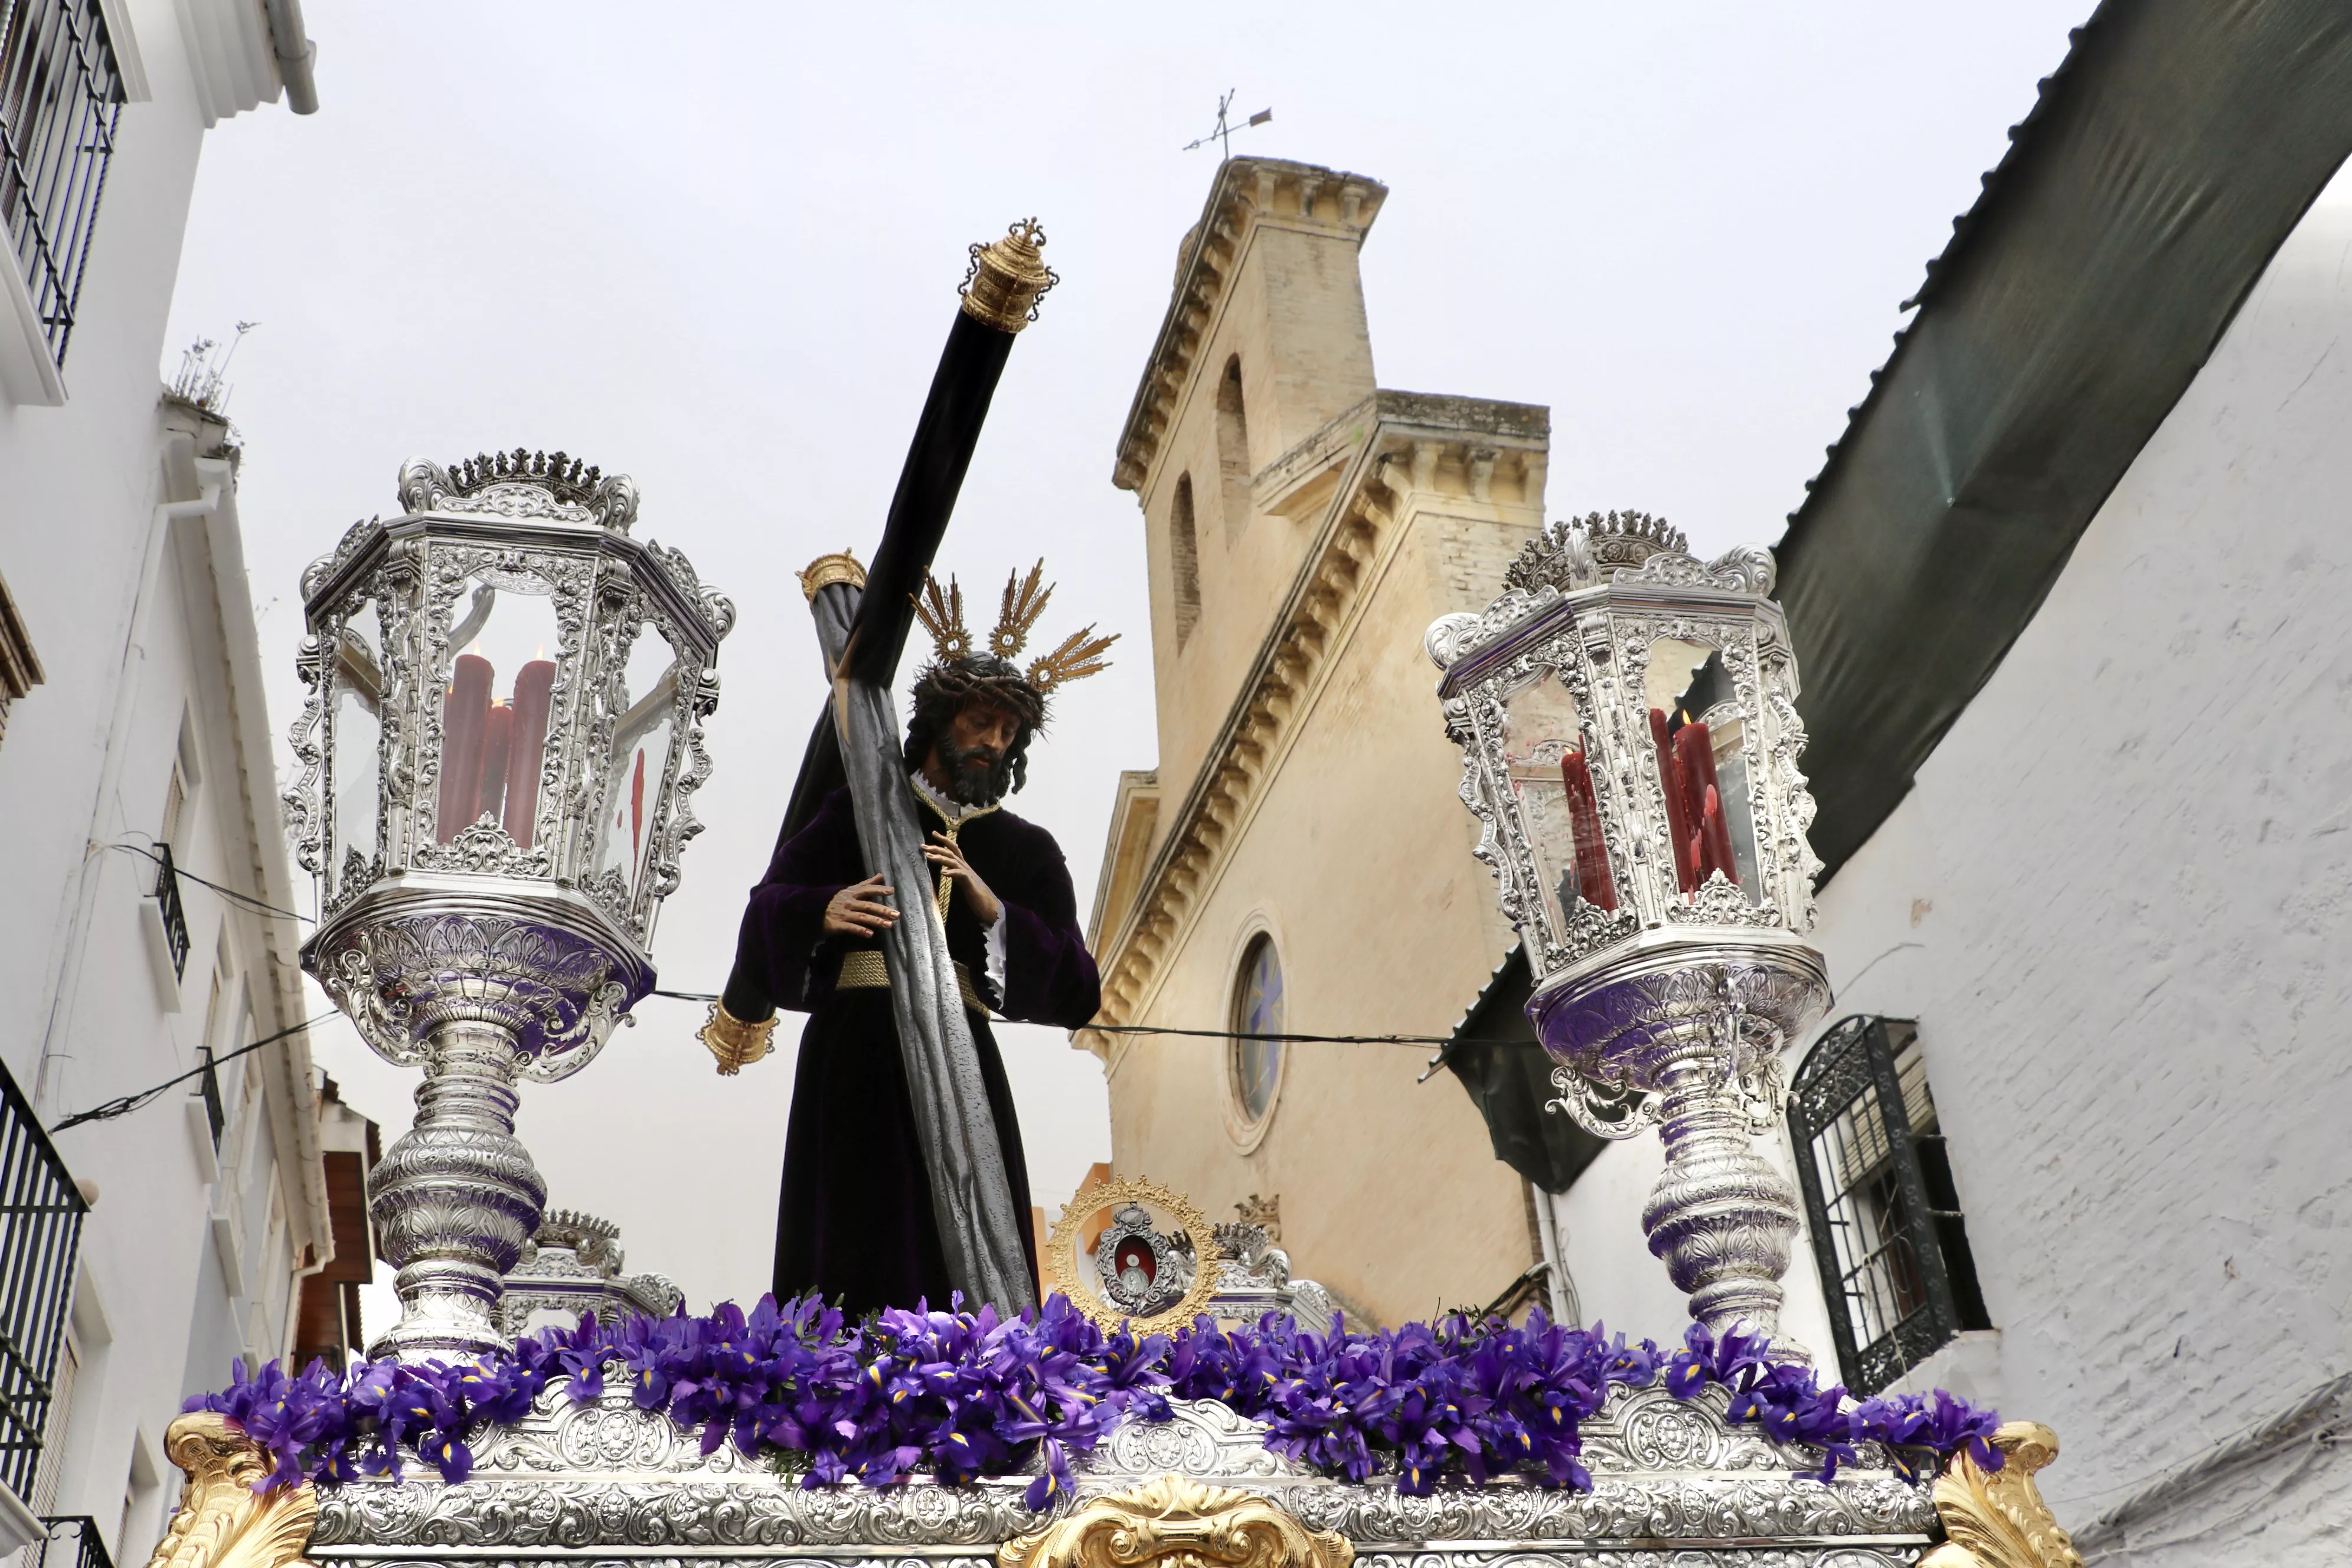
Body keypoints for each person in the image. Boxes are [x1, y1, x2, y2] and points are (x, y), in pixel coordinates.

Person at [729, 568, 1112, 1314]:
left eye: (1007, 733)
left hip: (965, 1054)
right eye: (979, 724)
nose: (992, 744)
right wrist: (822, 909)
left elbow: (1080, 989)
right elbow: (762, 913)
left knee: (965, 1238)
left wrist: (994, 908)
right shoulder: (860, 812)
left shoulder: (1025, 849)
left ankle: (973, 1380)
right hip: (855, 1055)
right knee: (852, 1230)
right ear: (939, 720)